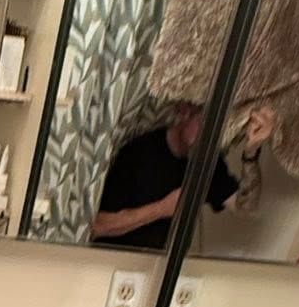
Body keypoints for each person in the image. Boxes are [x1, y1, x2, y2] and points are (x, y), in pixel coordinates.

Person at [90, 103, 273, 248]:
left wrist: (251, 154)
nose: (208, 137)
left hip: (156, 269)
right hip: (108, 264)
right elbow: (98, 226)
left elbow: (246, 208)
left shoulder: (207, 163)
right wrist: (161, 209)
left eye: (217, 130)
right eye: (205, 124)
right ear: (184, 111)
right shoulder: (139, 152)